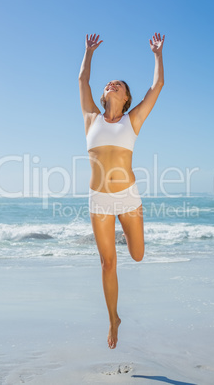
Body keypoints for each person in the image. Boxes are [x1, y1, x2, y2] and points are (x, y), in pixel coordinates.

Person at [78, 32, 165, 349]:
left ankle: (130, 233)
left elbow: (157, 87)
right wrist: (88, 53)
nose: (111, 84)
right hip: (99, 200)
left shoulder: (133, 120)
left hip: (128, 197)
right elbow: (83, 80)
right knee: (107, 263)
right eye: (109, 84)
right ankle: (113, 318)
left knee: (138, 256)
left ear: (127, 97)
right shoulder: (91, 118)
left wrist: (157, 55)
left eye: (119, 84)